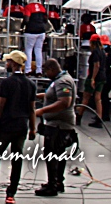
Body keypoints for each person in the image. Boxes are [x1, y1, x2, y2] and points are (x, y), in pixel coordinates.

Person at [0, 50, 36, 204]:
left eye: (8, 61)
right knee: (17, 159)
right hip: (22, 125)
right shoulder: (30, 84)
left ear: (14, 64)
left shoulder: (7, 83)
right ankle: (11, 195)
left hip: (7, 125)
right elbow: (32, 109)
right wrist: (32, 128)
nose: (6, 64)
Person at [33, 58, 78, 197]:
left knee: (52, 154)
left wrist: (42, 111)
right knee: (57, 154)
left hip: (59, 124)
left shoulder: (63, 81)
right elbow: (53, 95)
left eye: (46, 72)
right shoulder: (59, 80)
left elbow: (64, 102)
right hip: (56, 123)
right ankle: (57, 181)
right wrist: (38, 97)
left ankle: (53, 185)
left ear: (52, 69)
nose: (46, 75)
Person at [76, 34, 104, 128]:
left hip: (94, 76)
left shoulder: (95, 52)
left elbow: (97, 65)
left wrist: (92, 78)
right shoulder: (102, 51)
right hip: (102, 77)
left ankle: (79, 116)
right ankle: (99, 118)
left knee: (86, 97)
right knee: (98, 98)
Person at [22, 0, 48, 75]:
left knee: (28, 50)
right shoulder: (42, 7)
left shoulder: (28, 7)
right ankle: (39, 71)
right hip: (41, 31)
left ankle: (27, 70)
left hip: (30, 31)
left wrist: (22, 26)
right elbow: (46, 19)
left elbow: (26, 19)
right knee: (38, 50)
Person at [100, 35, 111, 121]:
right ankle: (103, 114)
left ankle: (105, 115)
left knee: (104, 95)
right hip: (108, 76)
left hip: (109, 76)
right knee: (103, 95)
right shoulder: (103, 53)